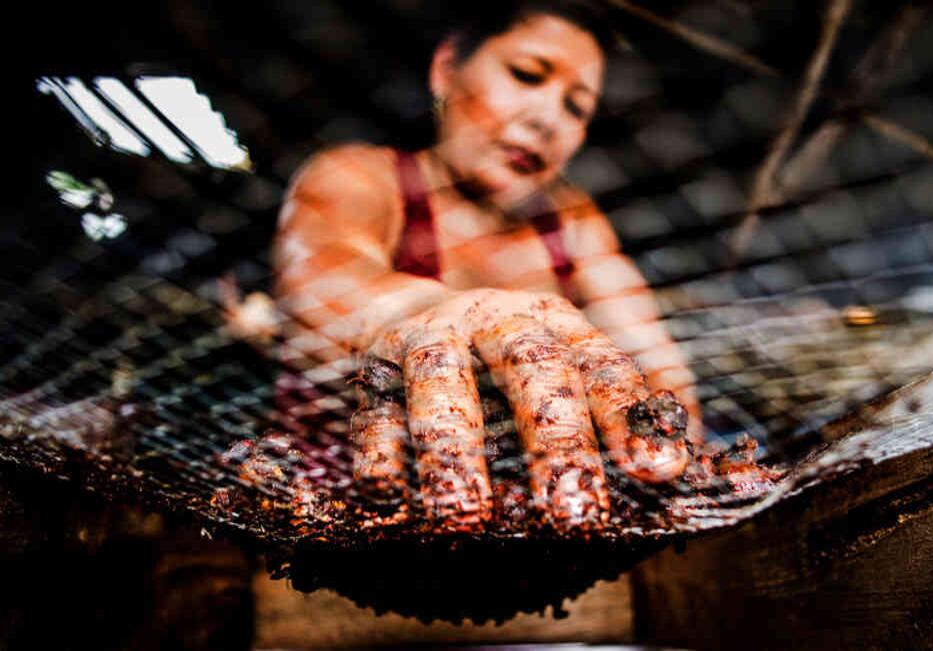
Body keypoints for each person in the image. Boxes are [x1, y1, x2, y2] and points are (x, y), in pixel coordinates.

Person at [233, 1, 702, 531]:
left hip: (546, 538)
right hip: (331, 528)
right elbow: (319, 285)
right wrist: (456, 316)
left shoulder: (573, 226)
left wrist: (659, 434)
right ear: (446, 69)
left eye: (576, 108)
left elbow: (655, 361)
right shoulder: (360, 178)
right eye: (526, 75)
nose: (547, 119)